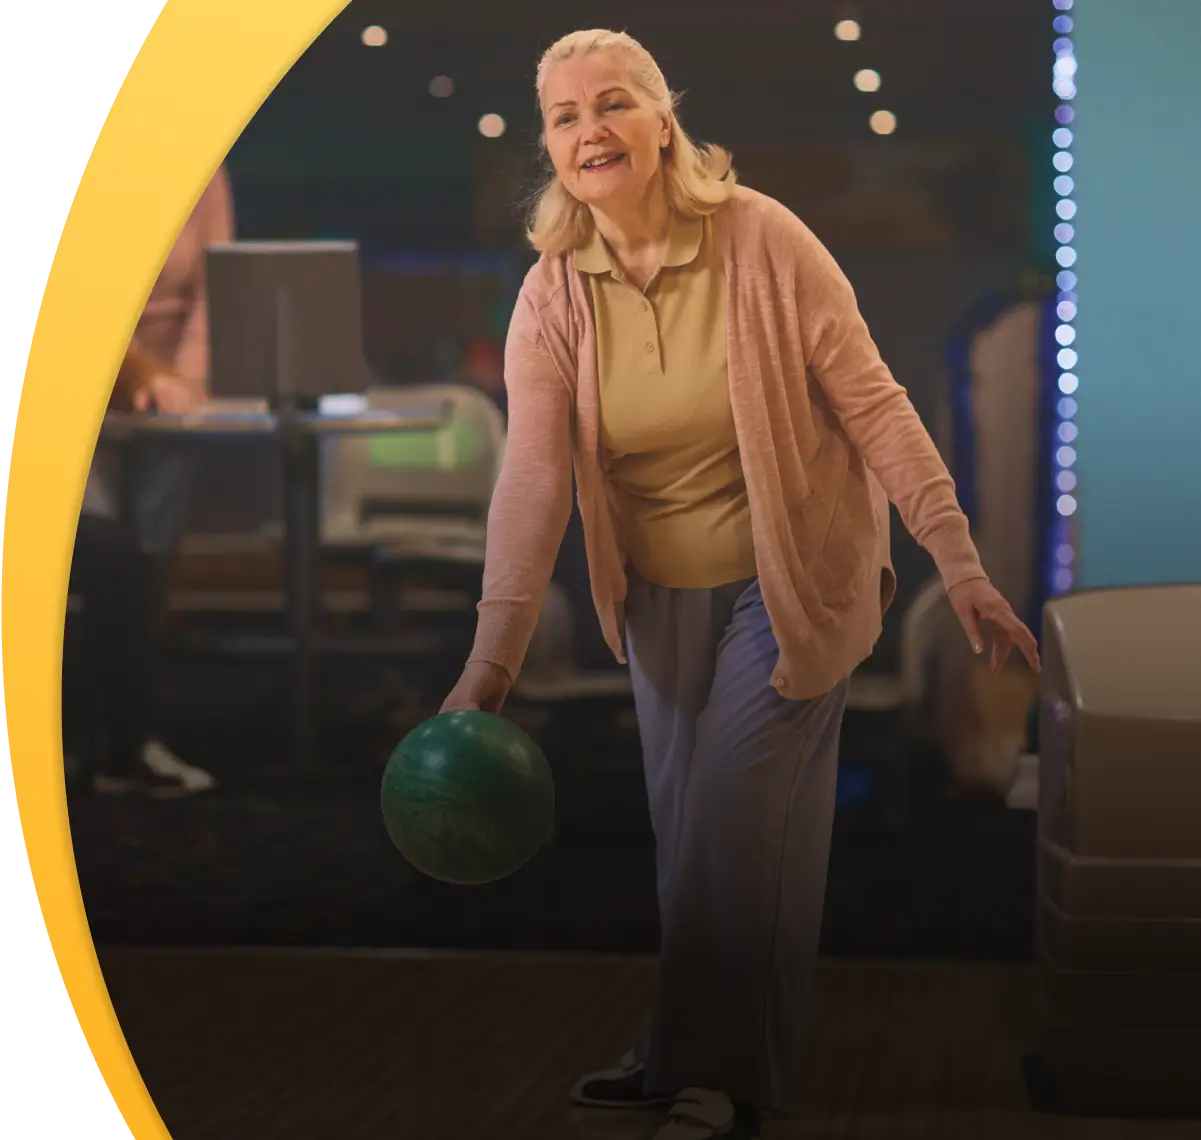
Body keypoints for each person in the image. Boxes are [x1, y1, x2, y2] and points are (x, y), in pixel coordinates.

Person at [438, 29, 1042, 1140]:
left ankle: (705, 1076)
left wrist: (957, 561)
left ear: (663, 122)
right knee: (705, 845)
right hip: (660, 593)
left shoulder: (762, 241)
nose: (589, 130)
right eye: (565, 117)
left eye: (612, 103)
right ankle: (712, 1060)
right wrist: (491, 661)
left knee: (727, 822)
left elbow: (875, 403)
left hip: (793, 579)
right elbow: (531, 479)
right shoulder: (551, 295)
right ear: (551, 149)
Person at [71, 164, 235, 796]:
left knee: (144, 576)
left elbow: (211, 294)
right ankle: (73, 738)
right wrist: (138, 373)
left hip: (168, 401)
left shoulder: (205, 171)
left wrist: (184, 387)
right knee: (100, 566)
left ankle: (129, 744)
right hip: (78, 395)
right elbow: (77, 292)